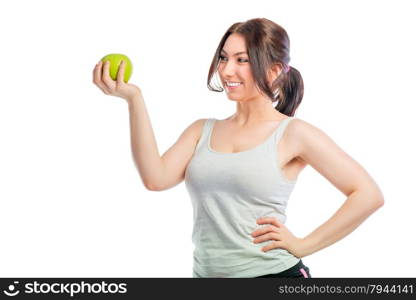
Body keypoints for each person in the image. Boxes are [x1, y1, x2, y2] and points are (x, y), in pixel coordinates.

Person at [92, 18, 384, 278]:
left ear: (275, 70)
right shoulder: (201, 130)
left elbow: (368, 195)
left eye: (242, 60)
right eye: (223, 57)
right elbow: (155, 179)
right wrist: (134, 99)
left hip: (273, 276)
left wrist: (303, 245)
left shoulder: (293, 133)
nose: (226, 70)